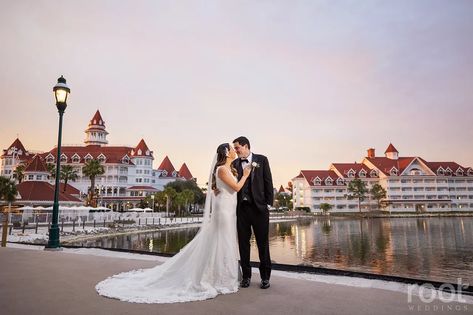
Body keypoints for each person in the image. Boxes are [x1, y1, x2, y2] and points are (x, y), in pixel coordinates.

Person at [95, 143, 251, 303]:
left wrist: (219, 188)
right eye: (232, 149)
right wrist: (246, 175)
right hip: (223, 210)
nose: (234, 151)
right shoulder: (222, 169)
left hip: (229, 208)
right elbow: (237, 188)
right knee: (222, 240)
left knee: (223, 241)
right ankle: (219, 278)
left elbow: (224, 188)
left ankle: (221, 275)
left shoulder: (228, 169)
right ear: (226, 153)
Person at [232, 136, 274, 289]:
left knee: (263, 244)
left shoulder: (262, 160)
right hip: (242, 210)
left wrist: (268, 204)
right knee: (243, 244)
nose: (236, 151)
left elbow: (268, 181)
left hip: (260, 209)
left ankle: (265, 278)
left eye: (237, 148)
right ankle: (246, 277)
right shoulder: (234, 164)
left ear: (246, 146)